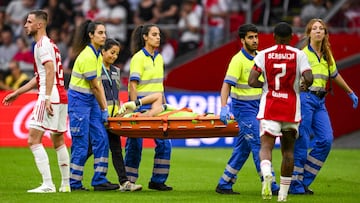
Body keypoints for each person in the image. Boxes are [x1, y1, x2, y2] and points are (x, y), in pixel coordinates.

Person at [2, 10, 71, 193]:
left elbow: (49, 72)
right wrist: (18, 92)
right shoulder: (50, 44)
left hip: (49, 96)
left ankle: (48, 185)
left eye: (29, 21)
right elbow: (40, 76)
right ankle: (65, 185)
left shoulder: (41, 45)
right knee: (58, 139)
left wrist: (46, 98)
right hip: (60, 95)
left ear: (39, 25)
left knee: (33, 139)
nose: (25, 25)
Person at [290, 18, 358, 195]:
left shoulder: (327, 55)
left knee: (326, 140)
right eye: (314, 28)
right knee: (302, 141)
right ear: (309, 33)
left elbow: (335, 75)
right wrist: (297, 87)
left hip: (320, 101)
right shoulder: (302, 54)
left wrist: (350, 92)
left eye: (321, 29)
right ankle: (296, 185)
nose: (318, 31)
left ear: (326, 34)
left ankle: (303, 180)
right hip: (305, 99)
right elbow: (290, 78)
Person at [248, 22, 313, 202]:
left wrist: (267, 86)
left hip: (270, 106)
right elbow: (309, 77)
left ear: (274, 36)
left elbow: (251, 80)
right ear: (292, 37)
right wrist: (303, 85)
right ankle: (283, 195)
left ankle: (267, 172)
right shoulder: (299, 55)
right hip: (291, 108)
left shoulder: (264, 54)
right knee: (288, 152)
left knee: (266, 146)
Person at [215, 24, 279, 195]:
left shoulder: (261, 58)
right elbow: (226, 85)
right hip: (243, 109)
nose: (255, 40)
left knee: (243, 148)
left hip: (259, 107)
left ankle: (224, 183)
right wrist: (223, 107)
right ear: (242, 40)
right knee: (258, 143)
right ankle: (270, 183)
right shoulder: (237, 60)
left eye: (256, 37)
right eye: (250, 37)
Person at [67, 20, 119, 191]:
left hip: (91, 101)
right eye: (100, 33)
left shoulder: (97, 55)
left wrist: (102, 108)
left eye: (105, 32)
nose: (104, 36)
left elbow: (99, 87)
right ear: (90, 35)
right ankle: (74, 183)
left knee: (101, 139)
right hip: (79, 102)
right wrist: (104, 109)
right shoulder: (88, 56)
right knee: (81, 143)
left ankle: (99, 180)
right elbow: (95, 86)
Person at [125, 24, 172, 191]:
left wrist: (164, 105)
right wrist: (134, 109)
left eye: (158, 34)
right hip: (141, 105)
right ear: (145, 37)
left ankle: (157, 180)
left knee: (165, 143)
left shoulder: (159, 58)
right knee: (135, 144)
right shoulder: (138, 58)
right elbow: (132, 85)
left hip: (158, 107)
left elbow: (160, 86)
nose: (158, 37)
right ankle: (129, 180)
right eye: (154, 34)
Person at [101, 38, 142, 192]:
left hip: (112, 119)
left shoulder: (116, 72)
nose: (114, 56)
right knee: (92, 148)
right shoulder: (96, 70)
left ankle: (124, 182)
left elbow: (116, 95)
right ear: (103, 51)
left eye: (117, 54)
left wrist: (119, 111)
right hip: (99, 117)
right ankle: (73, 177)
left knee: (117, 150)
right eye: (112, 53)